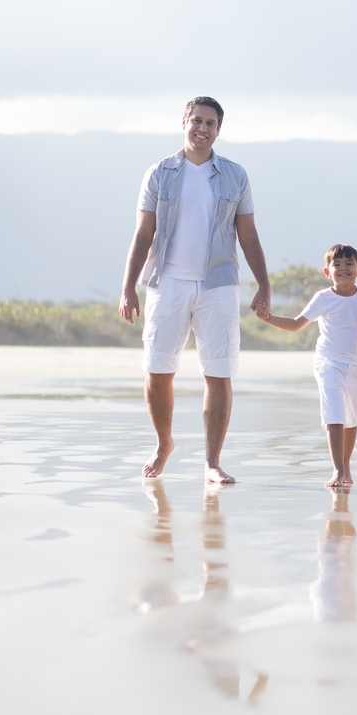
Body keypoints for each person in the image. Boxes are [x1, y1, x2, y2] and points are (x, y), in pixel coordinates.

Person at [118, 97, 271, 484]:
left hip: (218, 284)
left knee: (218, 373)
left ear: (219, 129)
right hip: (166, 282)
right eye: (197, 120)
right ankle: (163, 442)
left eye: (211, 123)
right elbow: (143, 233)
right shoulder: (159, 173)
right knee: (157, 369)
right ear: (184, 121)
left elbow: (248, 234)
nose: (203, 128)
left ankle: (212, 462)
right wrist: (128, 288)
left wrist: (264, 284)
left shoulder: (235, 175)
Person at [259, 244, 357, 487]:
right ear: (327, 272)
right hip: (329, 363)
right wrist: (269, 318)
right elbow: (297, 324)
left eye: (348, 264)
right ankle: (337, 470)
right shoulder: (323, 298)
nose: (343, 268)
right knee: (335, 415)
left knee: (351, 418)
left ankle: (346, 466)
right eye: (337, 265)